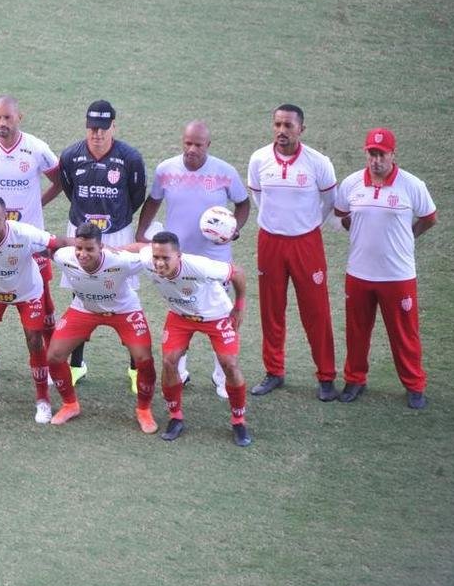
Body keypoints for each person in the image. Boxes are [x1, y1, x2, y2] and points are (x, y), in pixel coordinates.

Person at [137, 120, 250, 399]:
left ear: (208, 146)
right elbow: (153, 200)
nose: (192, 149)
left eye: (198, 145)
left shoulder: (225, 172)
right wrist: (141, 230)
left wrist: (235, 229)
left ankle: (222, 376)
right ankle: (181, 372)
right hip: (178, 259)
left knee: (220, 314)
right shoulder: (166, 170)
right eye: (187, 143)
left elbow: (243, 203)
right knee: (181, 310)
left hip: (214, 257)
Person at [334, 128, 437, 409]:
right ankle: (355, 380)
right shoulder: (352, 183)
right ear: (365, 153)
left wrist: (407, 237)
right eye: (371, 153)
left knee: (405, 333)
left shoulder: (412, 185)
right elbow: (341, 215)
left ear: (393, 154)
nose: (376, 160)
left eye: (381, 154)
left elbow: (429, 218)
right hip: (358, 273)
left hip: (398, 276)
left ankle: (415, 385)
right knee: (356, 331)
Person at [246, 104, 340, 401]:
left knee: (317, 311)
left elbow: (329, 201)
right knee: (271, 309)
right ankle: (274, 371)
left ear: (301, 129)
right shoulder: (259, 159)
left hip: (306, 243)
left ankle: (326, 376)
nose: (281, 131)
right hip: (270, 242)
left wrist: (305, 224)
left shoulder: (318, 162)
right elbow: (258, 195)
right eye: (277, 124)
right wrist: (278, 222)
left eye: (288, 125)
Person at [0, 196, 79, 424]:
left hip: (28, 292)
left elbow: (60, 242)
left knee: (34, 340)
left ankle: (43, 401)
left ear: (7, 218)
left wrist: (93, 245)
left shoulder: (25, 234)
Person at [0, 95, 62, 379]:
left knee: (42, 300)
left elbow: (60, 182)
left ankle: (48, 357)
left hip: (30, 241)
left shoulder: (36, 149)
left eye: (8, 118)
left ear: (20, 117)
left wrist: (38, 204)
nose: (2, 123)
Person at [57, 99, 147, 385]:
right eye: (92, 128)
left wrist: (115, 219)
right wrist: (87, 227)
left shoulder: (130, 158)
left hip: (118, 232)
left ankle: (135, 370)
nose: (97, 134)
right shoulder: (71, 155)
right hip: (81, 233)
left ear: (113, 127)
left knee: (127, 296)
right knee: (79, 292)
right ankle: (76, 364)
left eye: (103, 128)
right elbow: (70, 189)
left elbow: (136, 196)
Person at [136, 231, 252, 447]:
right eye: (156, 257)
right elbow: (135, 248)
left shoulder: (200, 266)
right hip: (180, 316)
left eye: (165, 258)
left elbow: (237, 272)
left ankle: (238, 420)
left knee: (229, 364)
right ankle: (175, 417)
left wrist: (239, 305)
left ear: (179, 256)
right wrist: (107, 250)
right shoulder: (148, 259)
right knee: (169, 361)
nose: (159, 263)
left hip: (216, 316)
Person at [48, 223, 158, 432]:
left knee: (144, 359)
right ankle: (70, 405)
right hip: (84, 310)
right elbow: (47, 245)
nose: (83, 254)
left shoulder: (121, 261)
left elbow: (151, 251)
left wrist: (127, 248)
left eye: (90, 249)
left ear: (101, 247)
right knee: (54, 356)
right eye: (79, 248)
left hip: (124, 311)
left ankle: (144, 410)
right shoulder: (64, 257)